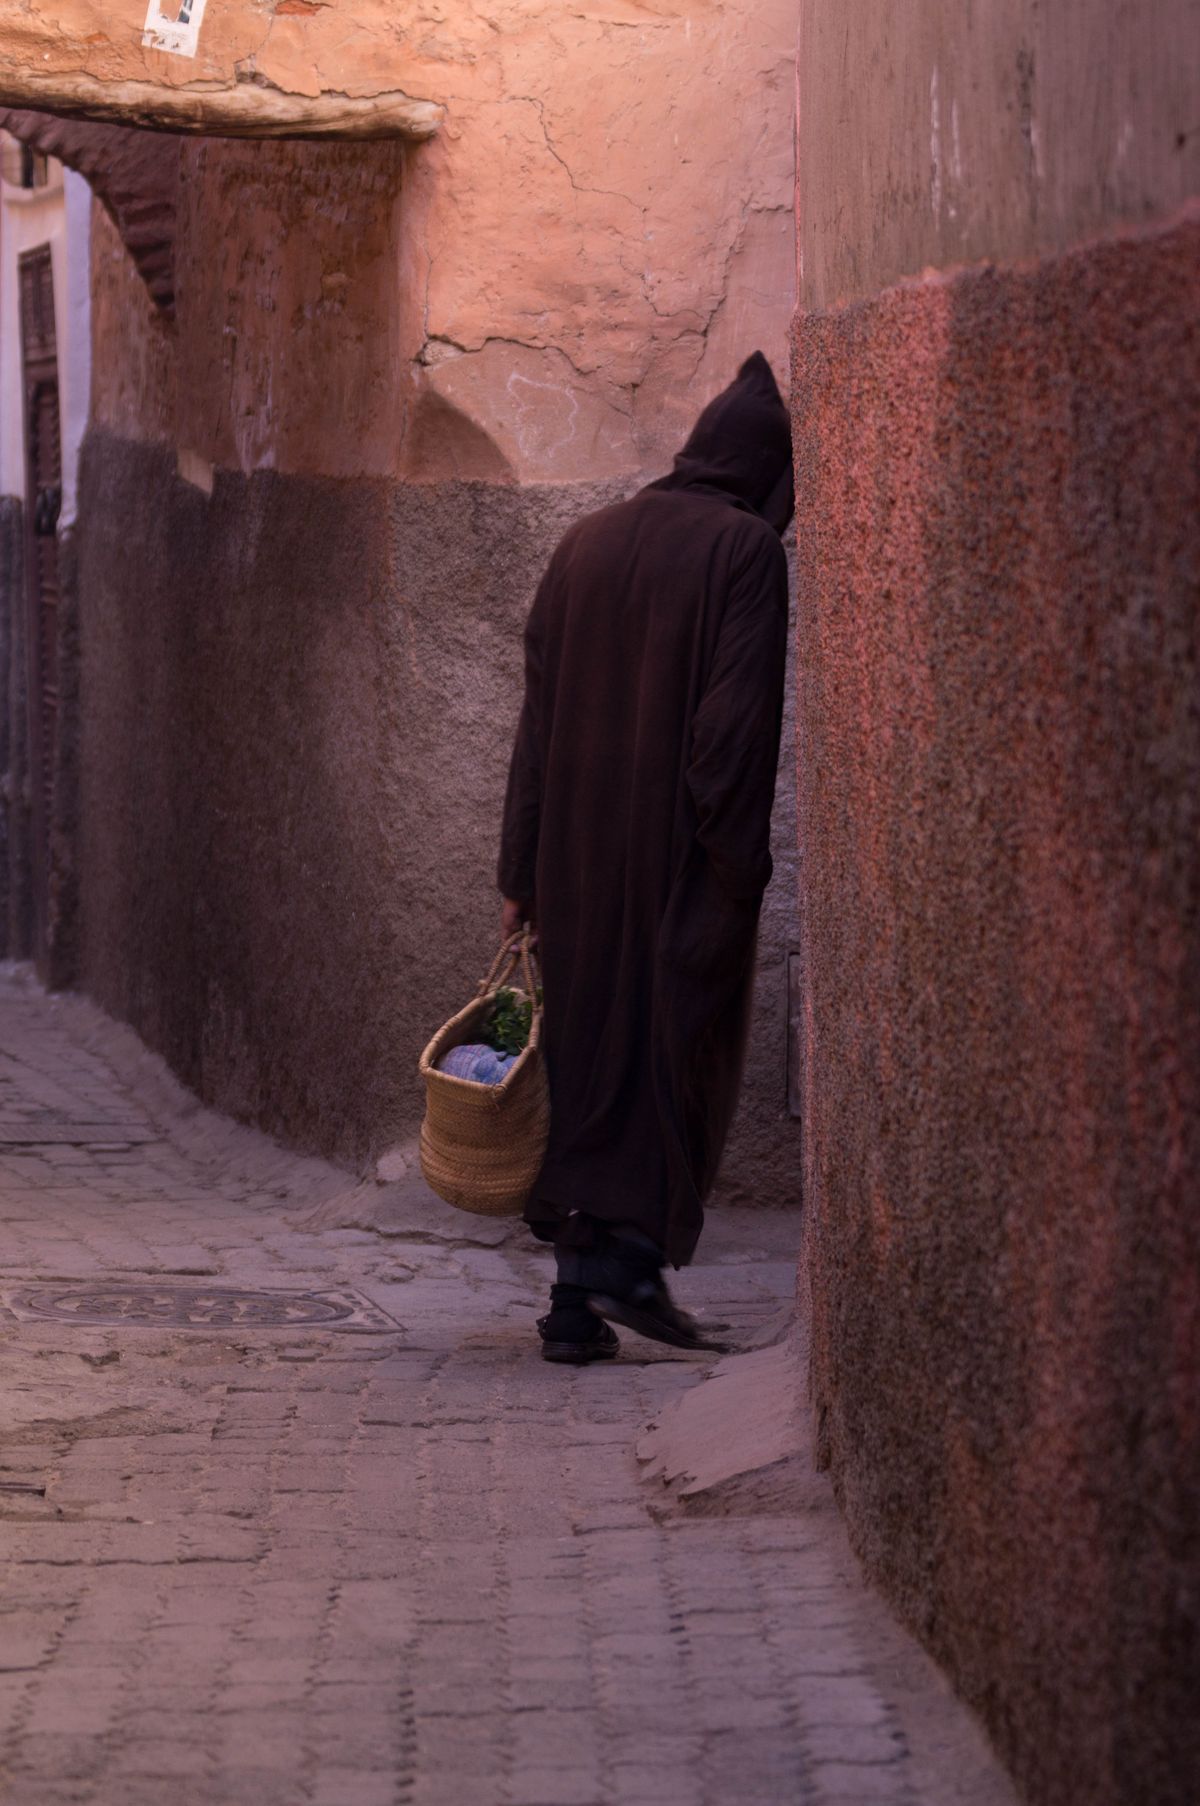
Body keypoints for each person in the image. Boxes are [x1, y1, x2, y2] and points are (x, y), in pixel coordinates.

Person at [498, 352, 794, 1364]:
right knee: (669, 1054)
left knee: (590, 1055)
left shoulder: (583, 544)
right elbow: (731, 736)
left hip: (575, 863)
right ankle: (626, 1263)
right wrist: (734, 871)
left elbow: (533, 728)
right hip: (680, 859)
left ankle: (579, 1293)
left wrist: (519, 873)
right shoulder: (745, 551)